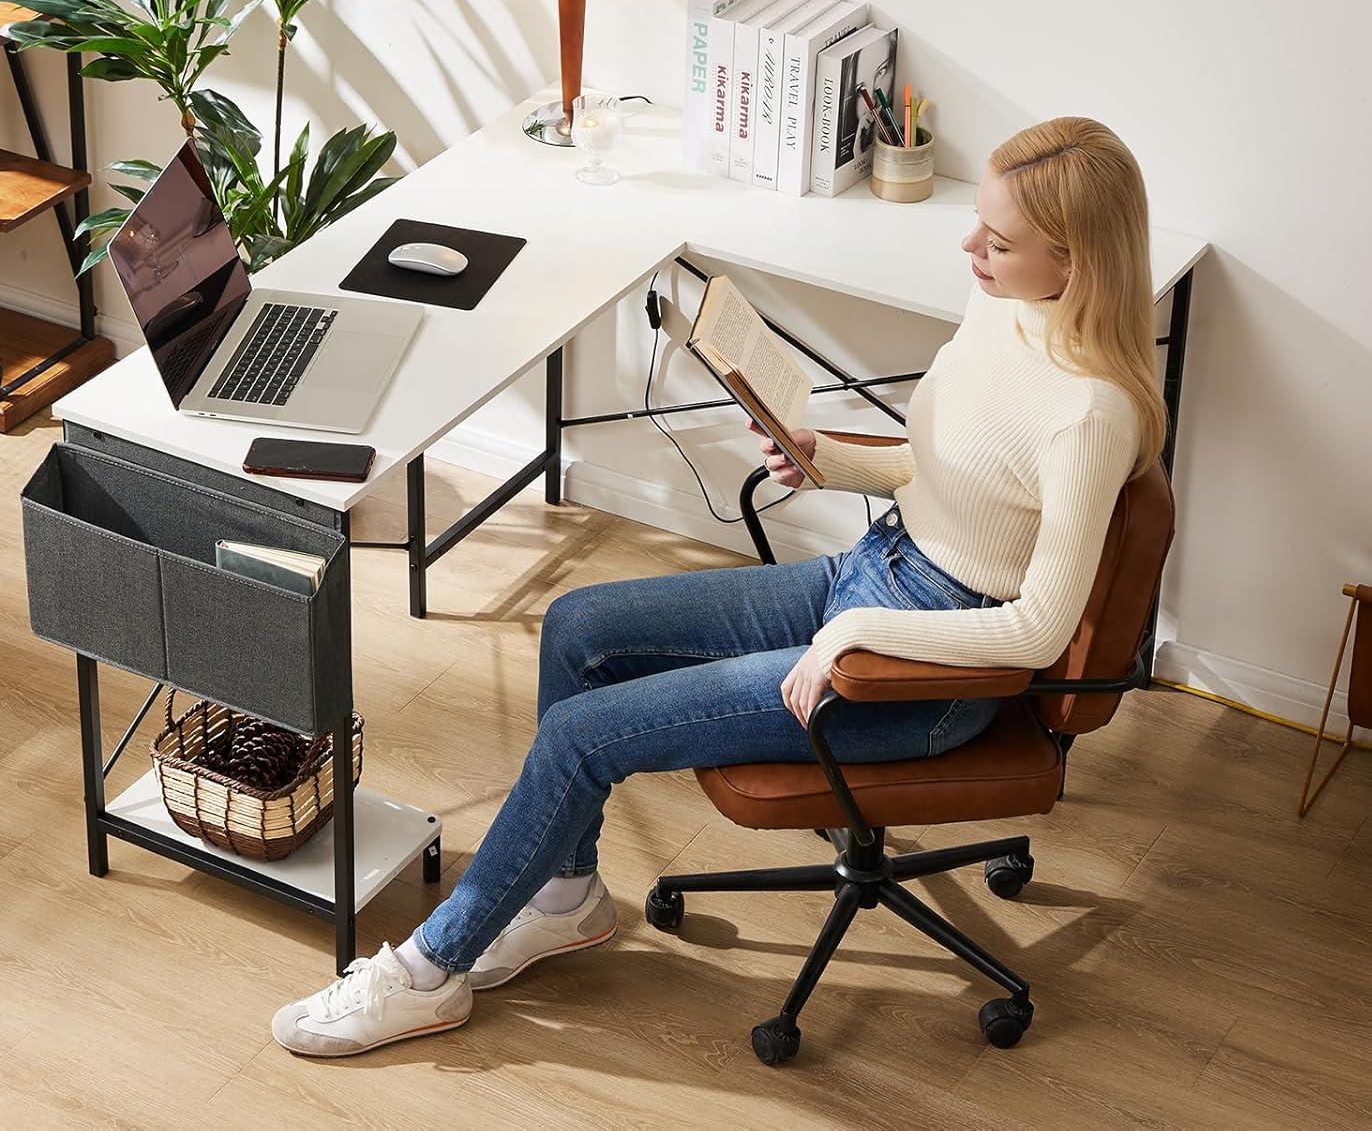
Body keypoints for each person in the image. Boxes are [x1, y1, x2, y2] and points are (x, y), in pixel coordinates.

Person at [271, 116, 1169, 1057]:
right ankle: (564, 898)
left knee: (584, 736)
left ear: (1073, 264)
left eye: (999, 240)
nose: (969, 246)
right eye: (978, 224)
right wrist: (827, 460)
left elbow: (1034, 631)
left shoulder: (1091, 412)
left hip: (928, 673)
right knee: (579, 625)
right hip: (876, 576)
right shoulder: (1004, 304)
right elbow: (950, 470)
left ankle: (427, 973)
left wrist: (846, 641)